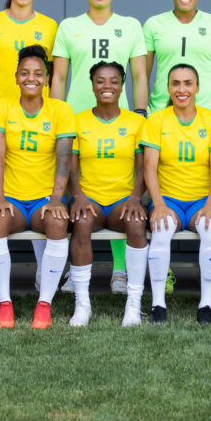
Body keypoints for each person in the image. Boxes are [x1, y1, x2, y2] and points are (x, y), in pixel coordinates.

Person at [51, 0, 148, 293]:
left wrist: (140, 112)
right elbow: (59, 76)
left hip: (118, 119)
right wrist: (57, 115)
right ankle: (71, 270)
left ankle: (120, 270)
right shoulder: (68, 26)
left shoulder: (130, 26)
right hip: (76, 119)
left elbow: (139, 75)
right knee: (75, 193)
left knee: (121, 191)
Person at [0, 0, 58, 290]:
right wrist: (6, 101)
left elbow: (52, 72)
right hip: (1, 114)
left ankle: (43, 272)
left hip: (38, 117)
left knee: (38, 187)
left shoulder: (50, 26)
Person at [0, 45, 76, 329]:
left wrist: (56, 199)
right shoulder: (1, 107)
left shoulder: (60, 110)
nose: (31, 78)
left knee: (58, 223)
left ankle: (44, 304)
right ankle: (4, 305)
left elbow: (64, 160)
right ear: (16, 77)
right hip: (12, 197)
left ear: (47, 79)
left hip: (43, 199)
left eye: (38, 73)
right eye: (24, 73)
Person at [140, 64, 211, 324]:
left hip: (203, 198)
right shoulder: (157, 120)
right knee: (162, 229)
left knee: (210, 229)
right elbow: (149, 168)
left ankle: (206, 305)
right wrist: (158, 204)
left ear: (197, 88)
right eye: (175, 83)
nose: (182, 89)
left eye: (188, 83)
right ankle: (158, 305)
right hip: (169, 199)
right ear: (168, 88)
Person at [68, 61, 148, 326]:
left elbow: (144, 168)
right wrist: (79, 196)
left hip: (121, 201)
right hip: (89, 199)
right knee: (81, 222)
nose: (107, 86)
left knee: (136, 223)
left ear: (122, 86)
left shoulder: (136, 122)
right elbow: (70, 168)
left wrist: (135, 198)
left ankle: (133, 305)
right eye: (100, 80)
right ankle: (82, 305)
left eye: (114, 81)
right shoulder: (78, 121)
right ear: (92, 85)